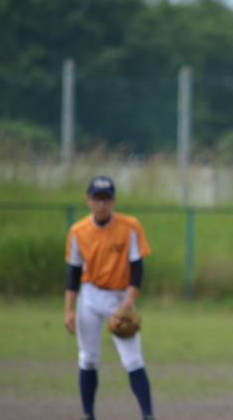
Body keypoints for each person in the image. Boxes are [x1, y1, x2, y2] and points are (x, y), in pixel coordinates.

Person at [64, 176, 155, 420]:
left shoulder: (129, 226)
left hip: (120, 297)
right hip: (90, 297)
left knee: (133, 360)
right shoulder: (78, 232)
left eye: (106, 198)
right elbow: (73, 273)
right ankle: (88, 414)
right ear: (88, 200)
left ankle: (148, 415)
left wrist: (127, 304)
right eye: (97, 198)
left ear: (113, 201)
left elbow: (138, 268)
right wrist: (69, 310)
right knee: (88, 359)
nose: (102, 204)